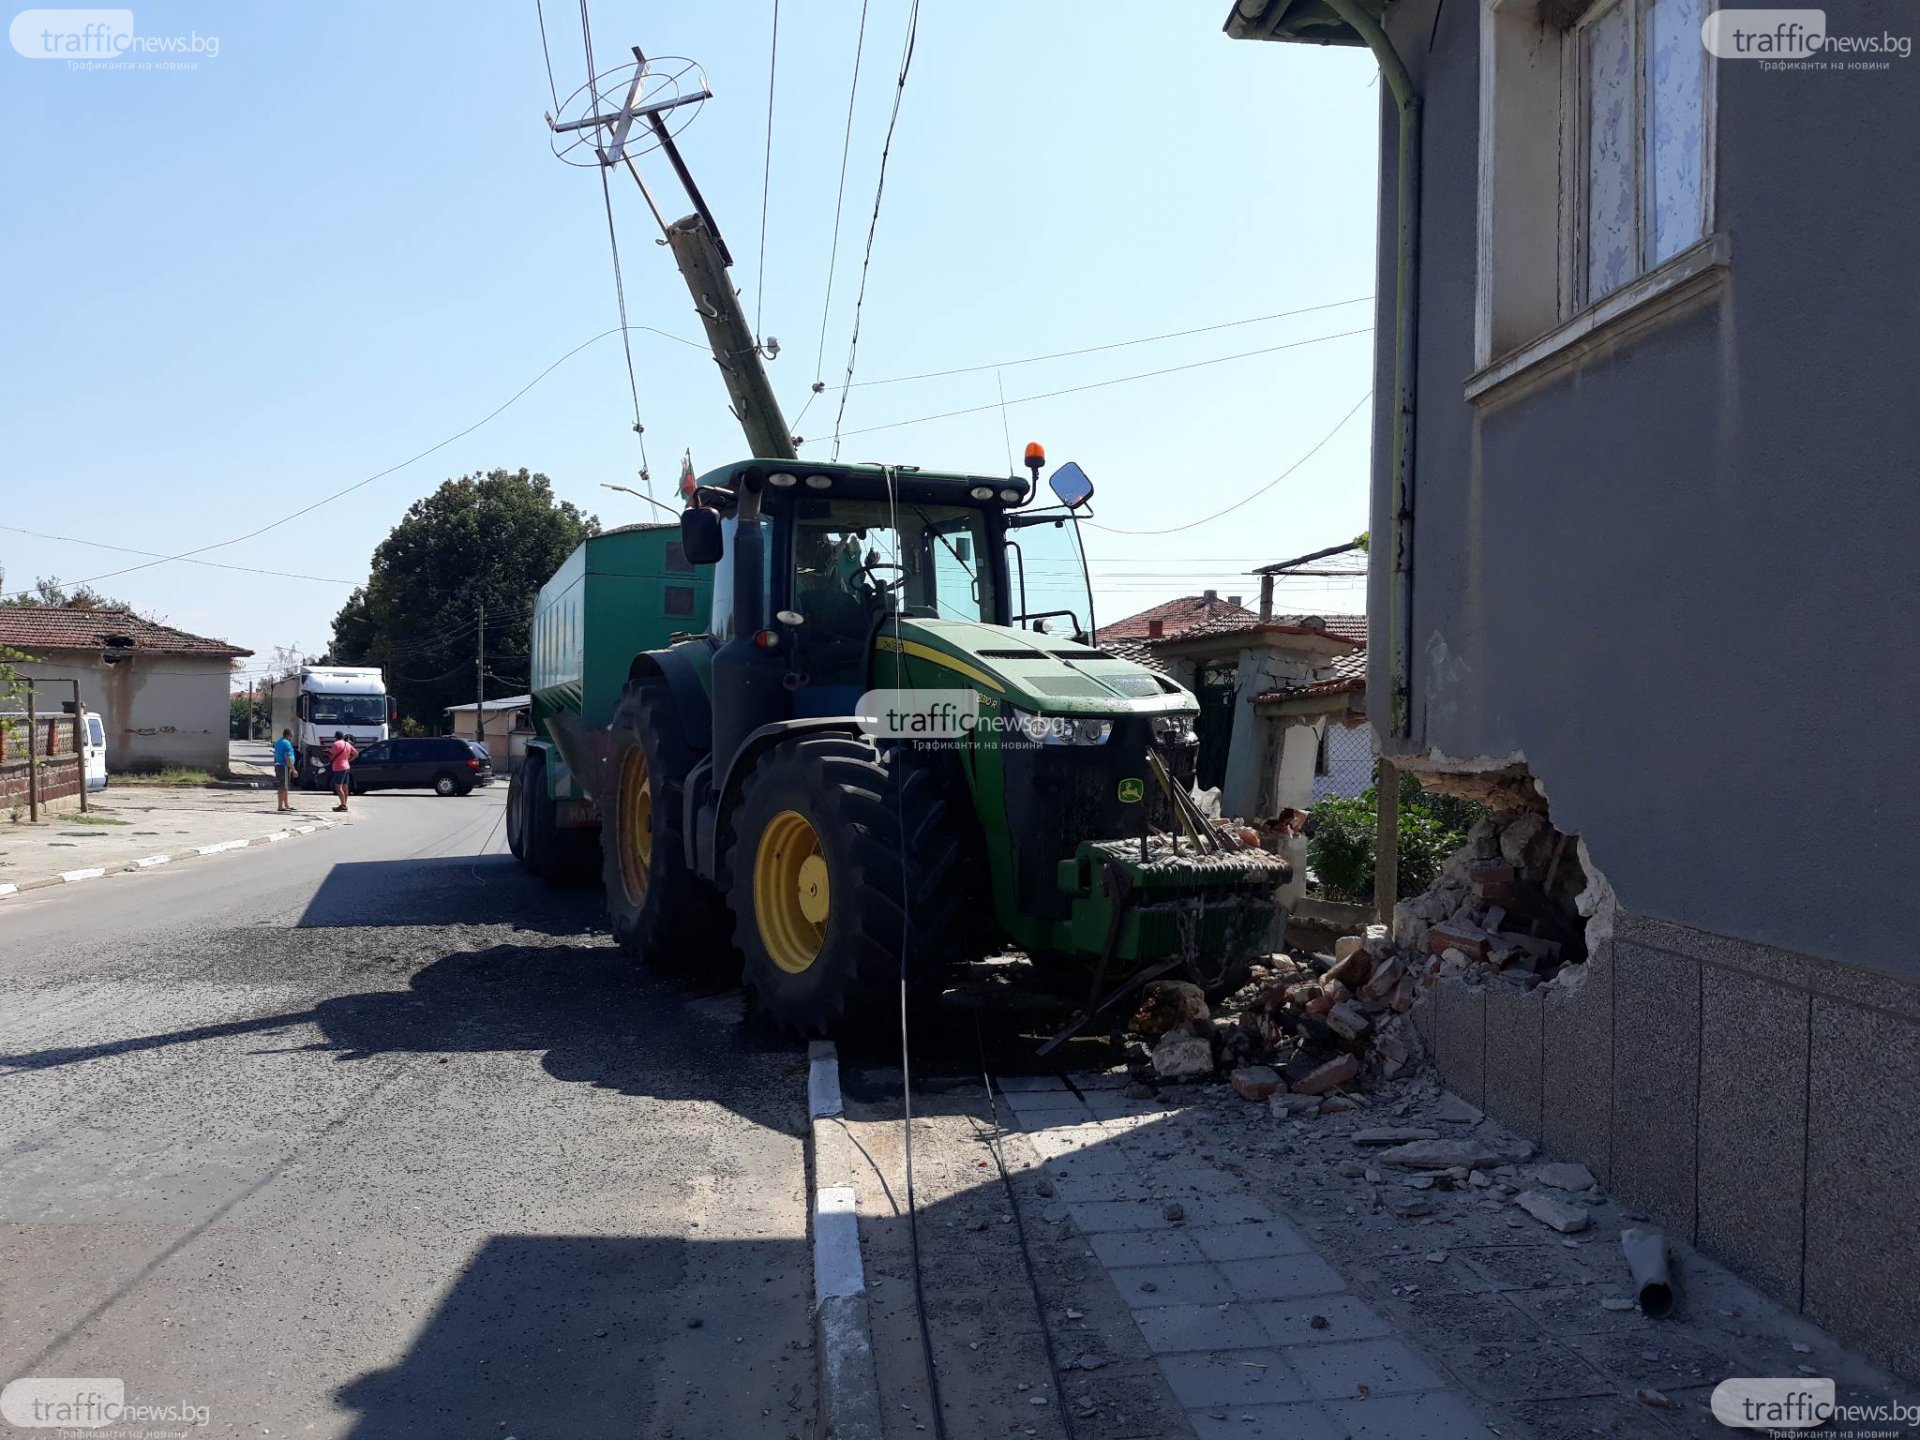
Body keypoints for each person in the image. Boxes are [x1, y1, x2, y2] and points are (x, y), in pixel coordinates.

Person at [327, 730, 358, 813]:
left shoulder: (335, 744)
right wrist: (348, 760)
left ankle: (343, 805)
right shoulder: (347, 744)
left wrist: (329, 756)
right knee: (345, 786)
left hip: (339, 767)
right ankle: (344, 804)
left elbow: (332, 756)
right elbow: (356, 753)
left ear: (335, 737)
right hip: (347, 766)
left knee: (338, 786)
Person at [273, 728, 298, 812]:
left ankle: (286, 805)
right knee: (283, 786)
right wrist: (293, 769)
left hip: (279, 765)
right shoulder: (286, 743)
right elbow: (287, 757)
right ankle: (280, 806)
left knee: (285, 786)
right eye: (291, 736)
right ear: (288, 735)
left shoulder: (279, 742)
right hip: (284, 766)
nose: (292, 738)